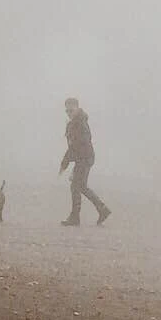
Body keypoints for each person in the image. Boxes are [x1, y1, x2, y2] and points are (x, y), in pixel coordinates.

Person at [58, 96, 111, 226]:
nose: (69, 113)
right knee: (80, 186)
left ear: (77, 108)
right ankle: (102, 209)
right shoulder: (73, 123)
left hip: (85, 158)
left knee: (76, 186)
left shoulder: (80, 123)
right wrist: (69, 164)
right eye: (67, 111)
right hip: (82, 159)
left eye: (71, 110)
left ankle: (76, 217)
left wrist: (66, 164)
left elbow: (78, 145)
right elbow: (73, 146)